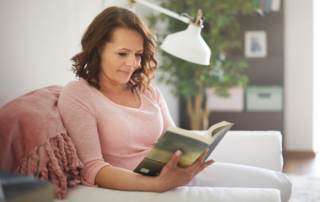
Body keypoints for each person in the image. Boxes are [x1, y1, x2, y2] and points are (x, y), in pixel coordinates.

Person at [58, 6, 292, 201]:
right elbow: (93, 169)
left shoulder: (147, 90)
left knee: (281, 185)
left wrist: (194, 151)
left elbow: (171, 137)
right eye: (123, 54)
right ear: (98, 48)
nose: (132, 64)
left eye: (138, 54)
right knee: (266, 196)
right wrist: (157, 184)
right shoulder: (78, 94)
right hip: (143, 185)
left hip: (175, 174)